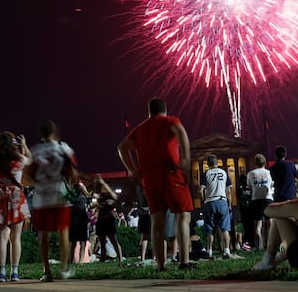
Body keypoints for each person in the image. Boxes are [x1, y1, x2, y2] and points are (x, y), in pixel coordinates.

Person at [117, 97, 195, 271]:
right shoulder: (170, 121)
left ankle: (160, 265)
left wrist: (132, 169)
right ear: (165, 110)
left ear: (149, 111)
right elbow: (181, 132)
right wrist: (185, 158)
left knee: (156, 223)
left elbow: (121, 147)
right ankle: (184, 262)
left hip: (150, 179)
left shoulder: (140, 128)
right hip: (171, 174)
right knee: (183, 216)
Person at [29, 119, 76, 281]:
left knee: (44, 235)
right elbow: (73, 173)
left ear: (41, 134)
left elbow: (29, 175)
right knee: (63, 232)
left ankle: (46, 272)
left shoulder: (35, 151)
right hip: (59, 194)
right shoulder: (63, 148)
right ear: (55, 132)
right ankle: (63, 269)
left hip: (42, 197)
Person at [0, 131, 32, 283]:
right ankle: (14, 272)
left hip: (1, 196)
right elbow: (30, 160)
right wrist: (24, 145)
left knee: (1, 237)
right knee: (16, 238)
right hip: (16, 197)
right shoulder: (18, 158)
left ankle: (1, 273)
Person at [200, 154, 232, 259]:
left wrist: (203, 201)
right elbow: (229, 191)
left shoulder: (206, 174)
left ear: (208, 164)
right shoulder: (224, 173)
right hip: (222, 200)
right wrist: (229, 205)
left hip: (210, 201)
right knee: (225, 229)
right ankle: (226, 251)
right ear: (217, 163)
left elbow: (201, 190)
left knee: (210, 229)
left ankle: (209, 252)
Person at [94, 175, 124, 264]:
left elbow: (115, 197)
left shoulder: (110, 195)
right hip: (101, 220)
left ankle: (121, 260)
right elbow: (95, 202)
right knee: (102, 243)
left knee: (114, 241)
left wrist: (103, 182)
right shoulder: (98, 195)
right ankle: (102, 260)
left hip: (109, 220)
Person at [247, 153, 273, 251]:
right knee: (269, 223)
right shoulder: (269, 172)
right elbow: (271, 185)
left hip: (256, 199)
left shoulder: (251, 173)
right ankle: (270, 244)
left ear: (255, 163)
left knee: (258, 224)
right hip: (267, 198)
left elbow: (249, 187)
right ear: (265, 163)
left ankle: (259, 245)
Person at [70, 181, 92, 266]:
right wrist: (84, 189)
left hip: (77, 221)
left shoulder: (73, 198)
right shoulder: (82, 197)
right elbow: (89, 197)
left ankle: (73, 260)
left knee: (74, 242)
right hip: (80, 221)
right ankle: (80, 261)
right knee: (81, 242)